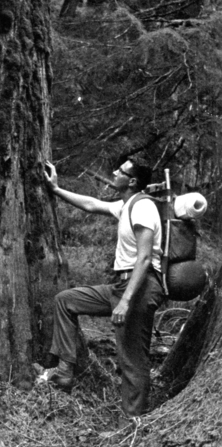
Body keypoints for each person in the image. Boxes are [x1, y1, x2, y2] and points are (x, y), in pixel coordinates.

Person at [43, 157, 165, 417]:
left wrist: (126, 301)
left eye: (120, 171)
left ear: (131, 181)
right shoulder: (127, 205)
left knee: (132, 361)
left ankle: (133, 424)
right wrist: (56, 189)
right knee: (66, 300)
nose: (113, 172)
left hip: (140, 288)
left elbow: (144, 259)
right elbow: (91, 204)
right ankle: (64, 371)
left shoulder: (143, 207)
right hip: (121, 286)